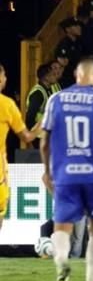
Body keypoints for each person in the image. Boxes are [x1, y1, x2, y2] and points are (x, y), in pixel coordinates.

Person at [39, 59, 93, 281]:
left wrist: (47, 170)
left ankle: (62, 267)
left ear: (76, 74)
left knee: (62, 229)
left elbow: (44, 142)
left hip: (65, 174)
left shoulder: (56, 100)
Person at [0, 64, 38, 234]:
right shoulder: (7, 104)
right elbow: (27, 137)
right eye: (4, 75)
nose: (6, 78)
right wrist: (41, 124)